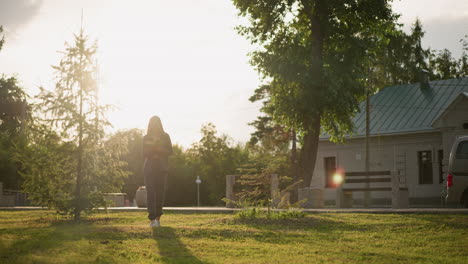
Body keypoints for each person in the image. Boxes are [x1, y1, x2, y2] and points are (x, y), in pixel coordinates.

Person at [142, 116, 173, 227]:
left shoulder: (165, 136)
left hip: (161, 168)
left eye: (156, 123)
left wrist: (158, 149)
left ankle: (158, 219)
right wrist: (154, 150)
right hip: (149, 169)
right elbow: (144, 153)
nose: (154, 126)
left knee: (160, 193)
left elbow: (170, 151)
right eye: (152, 123)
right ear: (150, 124)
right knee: (150, 193)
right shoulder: (146, 137)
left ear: (160, 124)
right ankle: (151, 219)